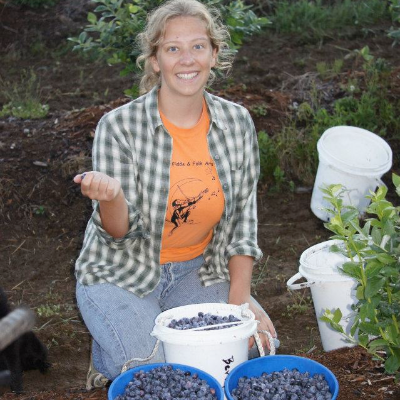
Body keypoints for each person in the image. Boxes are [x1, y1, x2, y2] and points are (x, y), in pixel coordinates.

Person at [73, 0, 277, 390]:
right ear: (154, 61)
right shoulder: (119, 127)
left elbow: (242, 221)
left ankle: (143, 329)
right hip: (120, 272)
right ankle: (111, 348)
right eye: (172, 48)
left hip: (197, 270)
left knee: (254, 347)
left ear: (214, 55)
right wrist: (112, 198)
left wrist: (240, 304)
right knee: (163, 375)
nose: (187, 59)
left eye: (198, 46)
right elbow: (118, 233)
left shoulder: (236, 123)